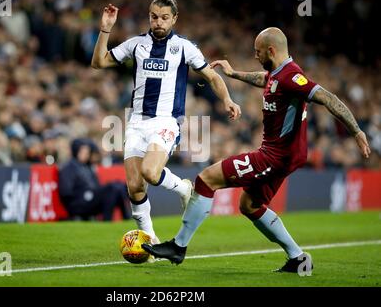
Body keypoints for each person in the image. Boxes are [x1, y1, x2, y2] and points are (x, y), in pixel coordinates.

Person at [142, 27, 371, 273]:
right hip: (284, 155)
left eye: (258, 51)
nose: (255, 56)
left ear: (271, 50)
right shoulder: (277, 74)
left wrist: (356, 131)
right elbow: (265, 80)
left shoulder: (292, 77)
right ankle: (298, 258)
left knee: (206, 179)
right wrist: (234, 74)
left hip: (275, 156)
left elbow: (328, 98)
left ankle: (178, 246)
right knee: (249, 204)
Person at [91, 0, 241, 243]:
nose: (158, 22)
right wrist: (106, 28)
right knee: (135, 187)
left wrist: (227, 100)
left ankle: (183, 188)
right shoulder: (136, 44)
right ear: (149, 16)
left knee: (150, 172)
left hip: (166, 121)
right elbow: (99, 62)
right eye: (154, 16)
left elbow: (212, 77)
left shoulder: (184, 47)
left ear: (174, 19)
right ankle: (149, 240)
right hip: (136, 122)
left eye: (164, 17)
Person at [58, 138, 131, 221]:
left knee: (117, 186)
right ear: (76, 151)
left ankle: (126, 217)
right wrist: (85, 193)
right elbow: (66, 192)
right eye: (83, 152)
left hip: (90, 198)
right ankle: (108, 220)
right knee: (111, 189)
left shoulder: (87, 166)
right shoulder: (68, 168)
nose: (86, 155)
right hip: (78, 203)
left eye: (87, 152)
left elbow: (96, 186)